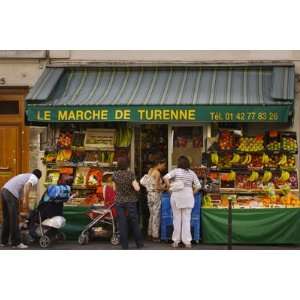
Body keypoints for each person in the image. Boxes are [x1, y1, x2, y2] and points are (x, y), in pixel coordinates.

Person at [163, 156, 201, 248]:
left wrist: (170, 188)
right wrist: (192, 193)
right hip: (188, 196)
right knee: (186, 219)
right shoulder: (192, 173)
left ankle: (176, 241)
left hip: (177, 196)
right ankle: (187, 242)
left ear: (179, 163)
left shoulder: (175, 171)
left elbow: (165, 178)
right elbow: (198, 186)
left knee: (176, 219)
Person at [0, 169, 42, 249]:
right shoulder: (34, 178)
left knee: (7, 218)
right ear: (38, 177)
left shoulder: (25, 176)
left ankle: (3, 242)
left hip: (4, 190)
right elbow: (27, 187)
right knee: (14, 219)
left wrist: (23, 202)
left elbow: (21, 193)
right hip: (10, 193)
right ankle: (16, 243)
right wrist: (26, 199)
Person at [112, 157, 143, 250]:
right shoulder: (130, 174)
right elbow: (137, 188)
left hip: (119, 201)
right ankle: (139, 243)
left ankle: (124, 246)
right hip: (131, 201)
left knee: (122, 223)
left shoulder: (115, 175)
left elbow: (114, 189)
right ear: (127, 165)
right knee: (134, 222)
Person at [146, 159, 167, 242]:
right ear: (159, 163)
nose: (164, 167)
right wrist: (166, 187)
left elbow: (150, 184)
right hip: (156, 195)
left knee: (151, 215)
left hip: (149, 195)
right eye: (163, 165)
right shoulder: (157, 173)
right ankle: (155, 236)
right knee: (156, 215)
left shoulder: (150, 171)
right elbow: (157, 187)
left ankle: (149, 233)